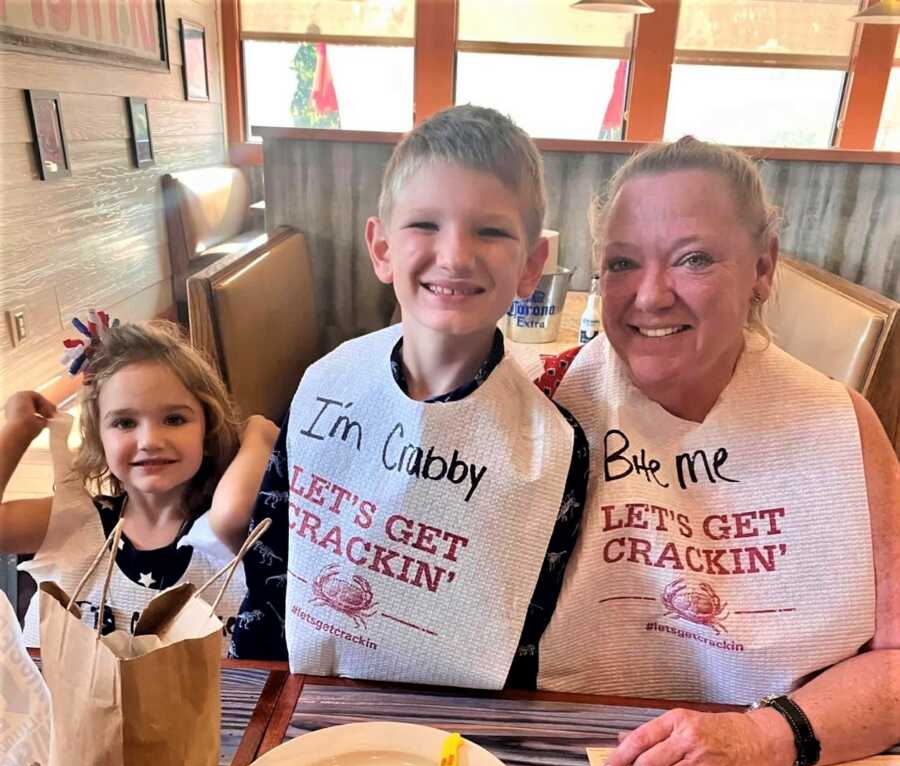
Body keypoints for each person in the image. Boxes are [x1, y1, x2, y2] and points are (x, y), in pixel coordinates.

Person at [531, 137, 899, 766]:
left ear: (763, 267)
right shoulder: (549, 407)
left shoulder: (845, 425)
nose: (649, 295)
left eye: (692, 259)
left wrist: (763, 737)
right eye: (621, 263)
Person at [218, 104, 589, 688]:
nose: (455, 255)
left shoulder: (555, 449)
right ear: (382, 248)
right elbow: (270, 572)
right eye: (424, 225)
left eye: (490, 231)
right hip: (304, 706)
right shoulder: (324, 386)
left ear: (531, 266)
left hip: (458, 739)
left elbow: (527, 643)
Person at [0, 316, 255, 652]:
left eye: (174, 419)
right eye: (125, 422)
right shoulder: (75, 524)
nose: (149, 440)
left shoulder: (236, 524)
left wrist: (259, 439)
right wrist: (18, 429)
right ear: (98, 439)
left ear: (207, 432)